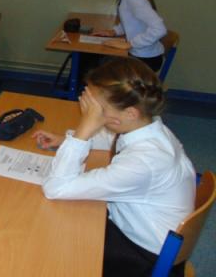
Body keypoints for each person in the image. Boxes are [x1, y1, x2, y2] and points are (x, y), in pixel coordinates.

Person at [33, 58, 195, 277]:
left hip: (140, 254)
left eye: (97, 108)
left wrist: (84, 129)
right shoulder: (149, 126)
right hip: (137, 227)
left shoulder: (144, 162)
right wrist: (66, 138)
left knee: (47, 241)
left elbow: (56, 188)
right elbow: (113, 138)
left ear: (130, 113)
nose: (91, 112)